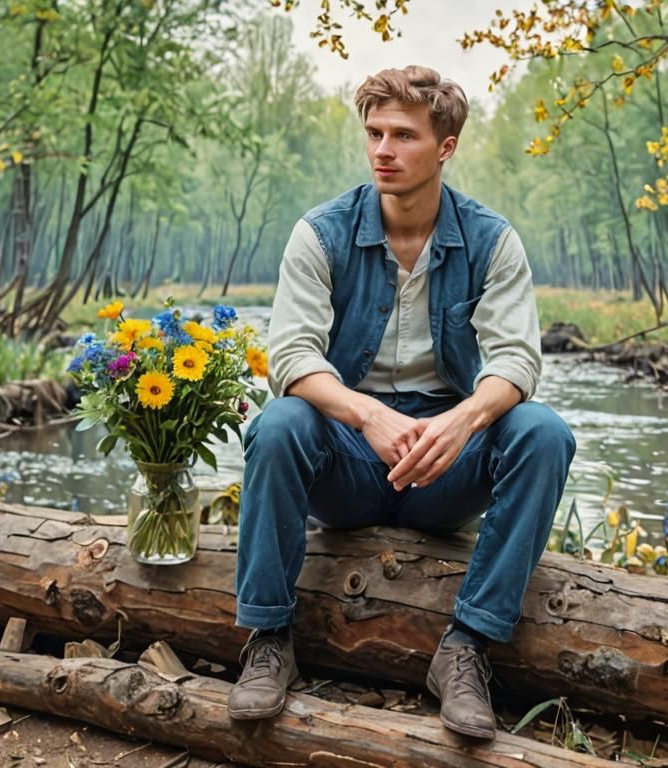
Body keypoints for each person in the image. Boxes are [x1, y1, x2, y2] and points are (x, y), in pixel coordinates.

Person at [227, 65, 576, 740]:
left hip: (443, 466)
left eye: (403, 135)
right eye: (374, 133)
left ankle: (466, 649)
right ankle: (268, 640)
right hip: (349, 460)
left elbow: (516, 360)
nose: (383, 149)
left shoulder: (491, 239)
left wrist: (462, 421)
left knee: (542, 433)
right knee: (279, 423)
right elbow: (292, 356)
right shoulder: (321, 233)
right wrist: (367, 415)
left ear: (445, 147)